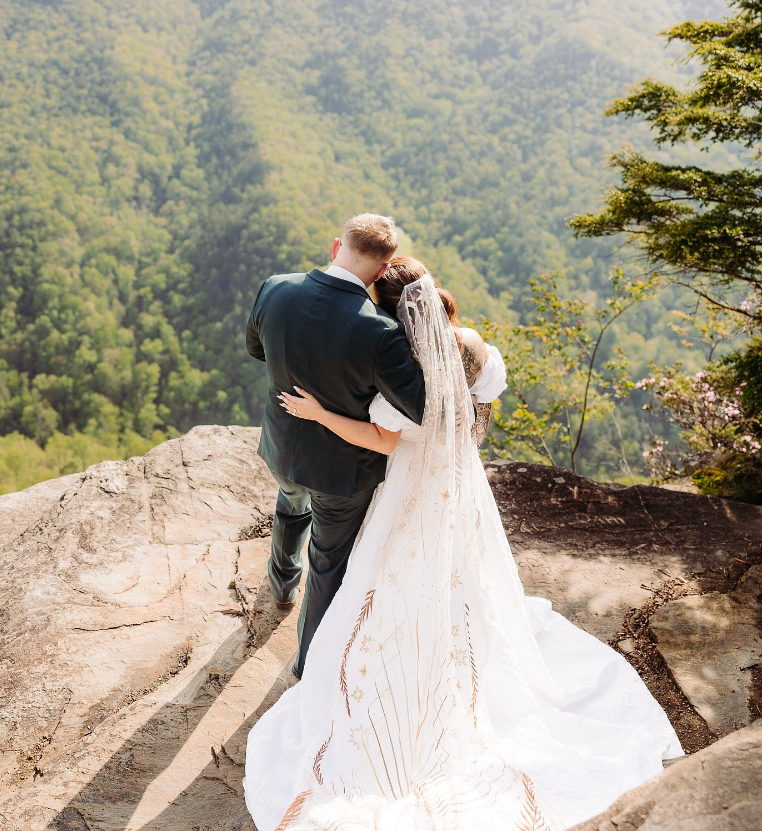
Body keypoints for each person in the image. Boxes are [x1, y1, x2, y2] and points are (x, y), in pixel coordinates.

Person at [244, 262, 682, 831]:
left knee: (378, 572)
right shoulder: (472, 351)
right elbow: (483, 405)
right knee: (461, 569)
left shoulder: (401, 371)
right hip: (457, 483)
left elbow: (377, 435)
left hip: (406, 487)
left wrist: (320, 412)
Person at [246, 215, 426, 679]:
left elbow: (257, 349)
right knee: (328, 565)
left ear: (335, 247)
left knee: (290, 507)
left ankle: (281, 587)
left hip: (284, 445)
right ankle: (310, 669)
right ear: (384, 271)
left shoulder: (275, 289)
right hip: (343, 470)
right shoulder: (380, 331)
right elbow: (420, 408)